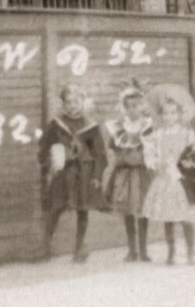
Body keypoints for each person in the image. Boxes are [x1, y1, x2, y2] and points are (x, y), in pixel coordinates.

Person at [140, 83, 195, 265]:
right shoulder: (157, 135)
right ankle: (171, 252)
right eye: (165, 113)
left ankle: (191, 251)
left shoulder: (186, 134)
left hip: (182, 181)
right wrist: (154, 162)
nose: (169, 117)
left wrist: (191, 161)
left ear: (180, 115)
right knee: (168, 217)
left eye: (173, 113)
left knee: (186, 218)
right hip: (165, 180)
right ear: (160, 115)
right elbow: (150, 153)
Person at [38, 84, 105, 262]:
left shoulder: (90, 126)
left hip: (84, 173)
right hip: (63, 172)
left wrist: (97, 176)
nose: (72, 106)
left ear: (82, 102)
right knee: (56, 208)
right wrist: (48, 162)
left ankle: (79, 250)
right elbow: (44, 146)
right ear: (63, 104)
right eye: (68, 102)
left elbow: (100, 153)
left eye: (76, 101)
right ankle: (45, 248)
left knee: (82, 210)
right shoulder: (56, 124)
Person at [103, 83, 155, 262]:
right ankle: (132, 250)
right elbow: (113, 147)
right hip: (125, 174)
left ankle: (143, 250)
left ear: (142, 106)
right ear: (123, 108)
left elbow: (153, 147)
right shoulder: (119, 128)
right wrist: (121, 158)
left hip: (141, 173)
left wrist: (144, 157)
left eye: (136, 106)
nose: (133, 110)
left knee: (142, 209)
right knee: (127, 210)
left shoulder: (148, 127)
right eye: (129, 106)